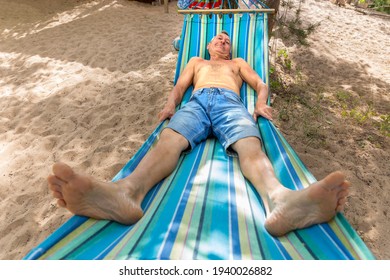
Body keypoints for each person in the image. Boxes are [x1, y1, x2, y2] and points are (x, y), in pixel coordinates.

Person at [48, 31, 350, 237]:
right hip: (197, 102)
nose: (222, 40)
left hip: (230, 104)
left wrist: (259, 105)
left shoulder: (237, 64)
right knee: (167, 142)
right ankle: (126, 193)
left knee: (251, 147)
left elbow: (260, 84)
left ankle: (280, 199)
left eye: (227, 40)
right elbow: (180, 87)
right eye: (218, 38)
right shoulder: (196, 62)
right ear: (207, 46)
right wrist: (170, 105)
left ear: (230, 49)